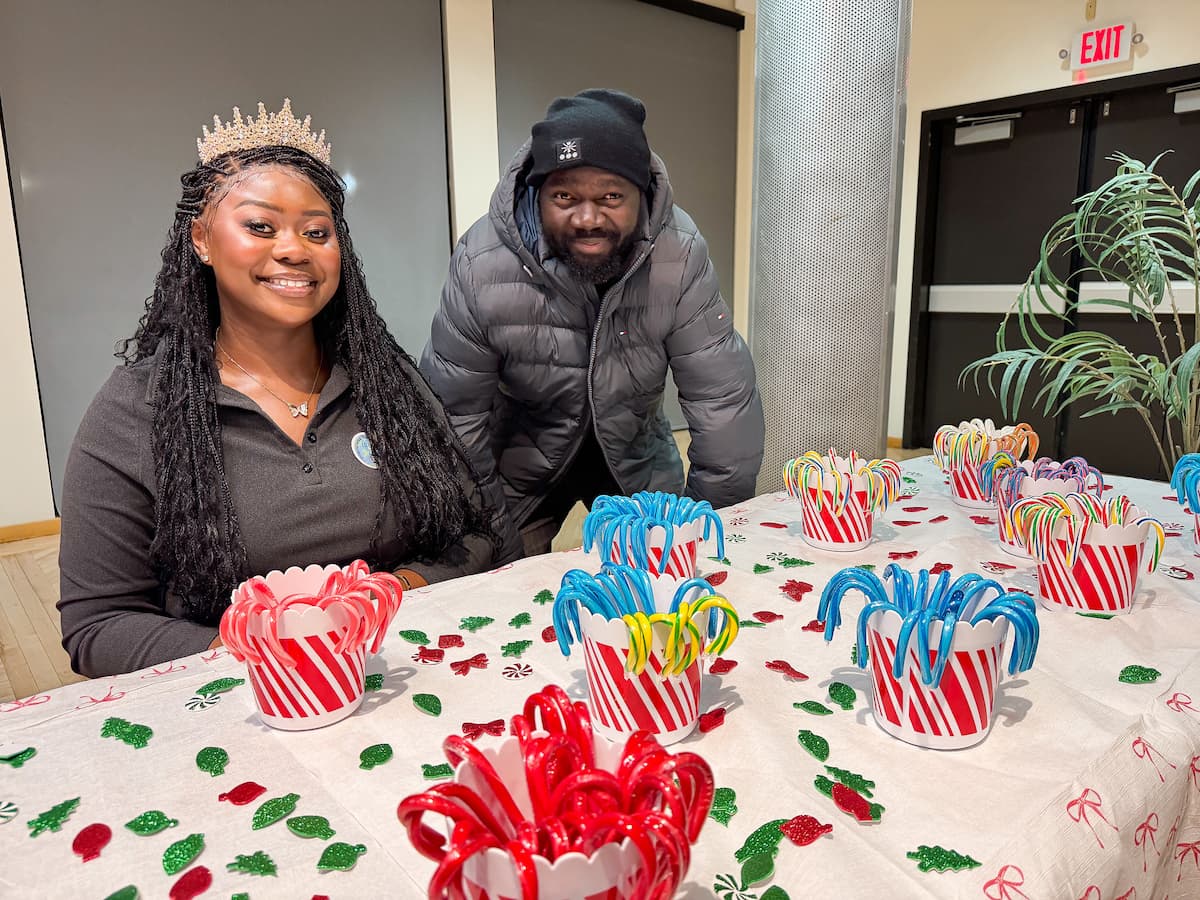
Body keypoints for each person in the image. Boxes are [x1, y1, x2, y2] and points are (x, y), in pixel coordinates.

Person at [58, 100, 508, 677]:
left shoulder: (386, 386)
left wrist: (394, 592)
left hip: (396, 676)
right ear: (201, 239)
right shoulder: (136, 411)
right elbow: (100, 625)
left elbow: (472, 536)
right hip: (239, 709)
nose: (293, 248)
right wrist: (267, 649)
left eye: (316, 231)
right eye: (260, 226)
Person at [421, 88, 764, 557]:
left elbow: (722, 399)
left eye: (610, 196)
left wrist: (704, 528)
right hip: (521, 460)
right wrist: (492, 539)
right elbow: (454, 416)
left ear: (640, 195)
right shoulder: (483, 263)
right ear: (535, 193)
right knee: (495, 580)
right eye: (564, 195)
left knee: (665, 587)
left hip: (635, 454)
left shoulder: (678, 255)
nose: (587, 218)